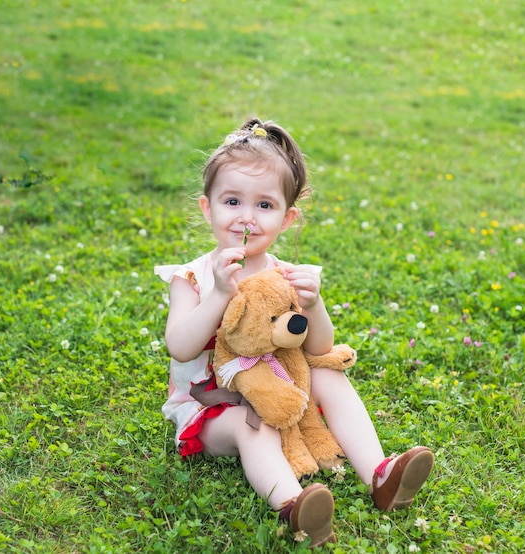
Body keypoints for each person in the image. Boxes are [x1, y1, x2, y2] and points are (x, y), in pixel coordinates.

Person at [154, 118, 434, 548]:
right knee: (254, 425)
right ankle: (296, 506)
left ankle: (380, 473)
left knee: (329, 374)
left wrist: (314, 303)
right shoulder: (191, 278)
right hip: (213, 407)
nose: (246, 217)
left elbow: (318, 348)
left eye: (264, 206)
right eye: (232, 201)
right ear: (207, 207)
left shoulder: (285, 276)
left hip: (283, 388)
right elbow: (180, 345)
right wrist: (218, 297)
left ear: (287, 219)